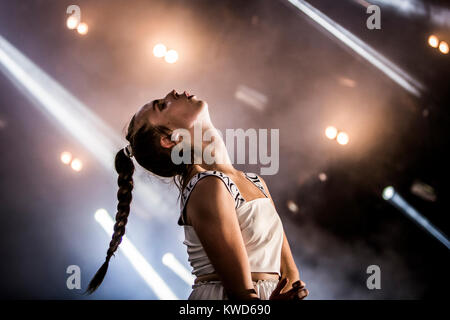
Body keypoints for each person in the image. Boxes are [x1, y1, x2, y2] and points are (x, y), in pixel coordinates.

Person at [86, 89, 309, 300]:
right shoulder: (207, 187)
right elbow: (241, 299)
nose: (172, 92)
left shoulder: (256, 181)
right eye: (163, 105)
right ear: (170, 139)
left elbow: (291, 274)